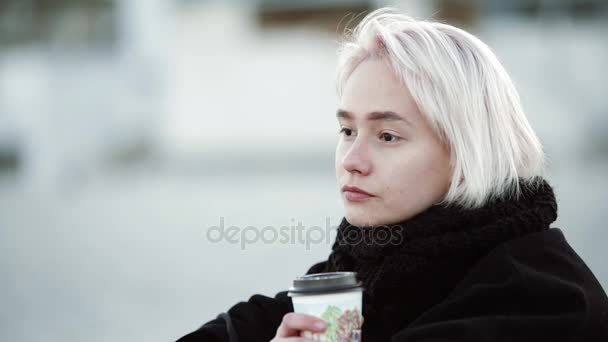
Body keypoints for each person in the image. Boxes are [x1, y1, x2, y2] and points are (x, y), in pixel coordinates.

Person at [175, 7, 608, 342]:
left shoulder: (540, 302)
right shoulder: (365, 275)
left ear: (467, 151)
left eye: (386, 135)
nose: (352, 159)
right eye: (347, 130)